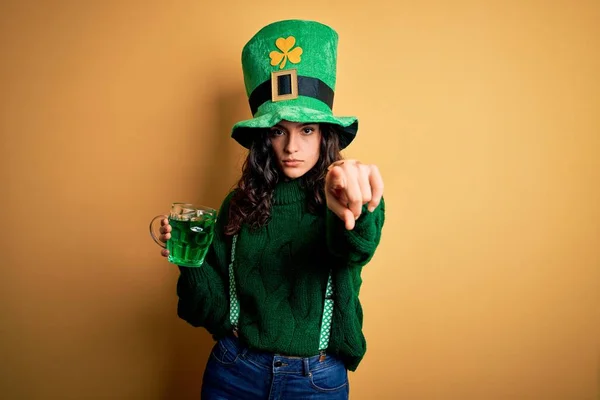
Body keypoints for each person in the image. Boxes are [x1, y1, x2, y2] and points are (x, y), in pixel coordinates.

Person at [157, 19, 385, 399]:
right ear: (265, 138)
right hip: (234, 371)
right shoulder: (239, 203)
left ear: (326, 134)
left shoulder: (343, 194)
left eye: (307, 130)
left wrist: (354, 201)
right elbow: (205, 312)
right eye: (279, 130)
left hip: (315, 380)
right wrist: (188, 260)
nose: (292, 147)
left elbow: (357, 246)